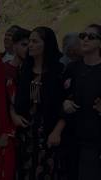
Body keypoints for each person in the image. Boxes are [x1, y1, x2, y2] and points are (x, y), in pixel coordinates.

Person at [12, 27, 64, 179]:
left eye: (35, 41)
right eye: (29, 42)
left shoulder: (59, 71)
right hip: (25, 133)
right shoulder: (24, 71)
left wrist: (57, 131)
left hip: (49, 134)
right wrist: (14, 114)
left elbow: (67, 104)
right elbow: (11, 98)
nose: (30, 45)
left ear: (46, 44)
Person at [61, 24, 101, 180]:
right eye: (83, 35)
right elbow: (60, 95)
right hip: (71, 136)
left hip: (94, 140)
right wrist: (64, 102)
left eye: (91, 37)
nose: (85, 39)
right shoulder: (72, 68)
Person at [0, 27, 31, 180]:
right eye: (24, 45)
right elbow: (3, 103)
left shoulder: (32, 72)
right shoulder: (5, 70)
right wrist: (8, 132)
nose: (28, 48)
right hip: (7, 131)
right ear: (14, 46)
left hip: (27, 132)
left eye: (30, 44)